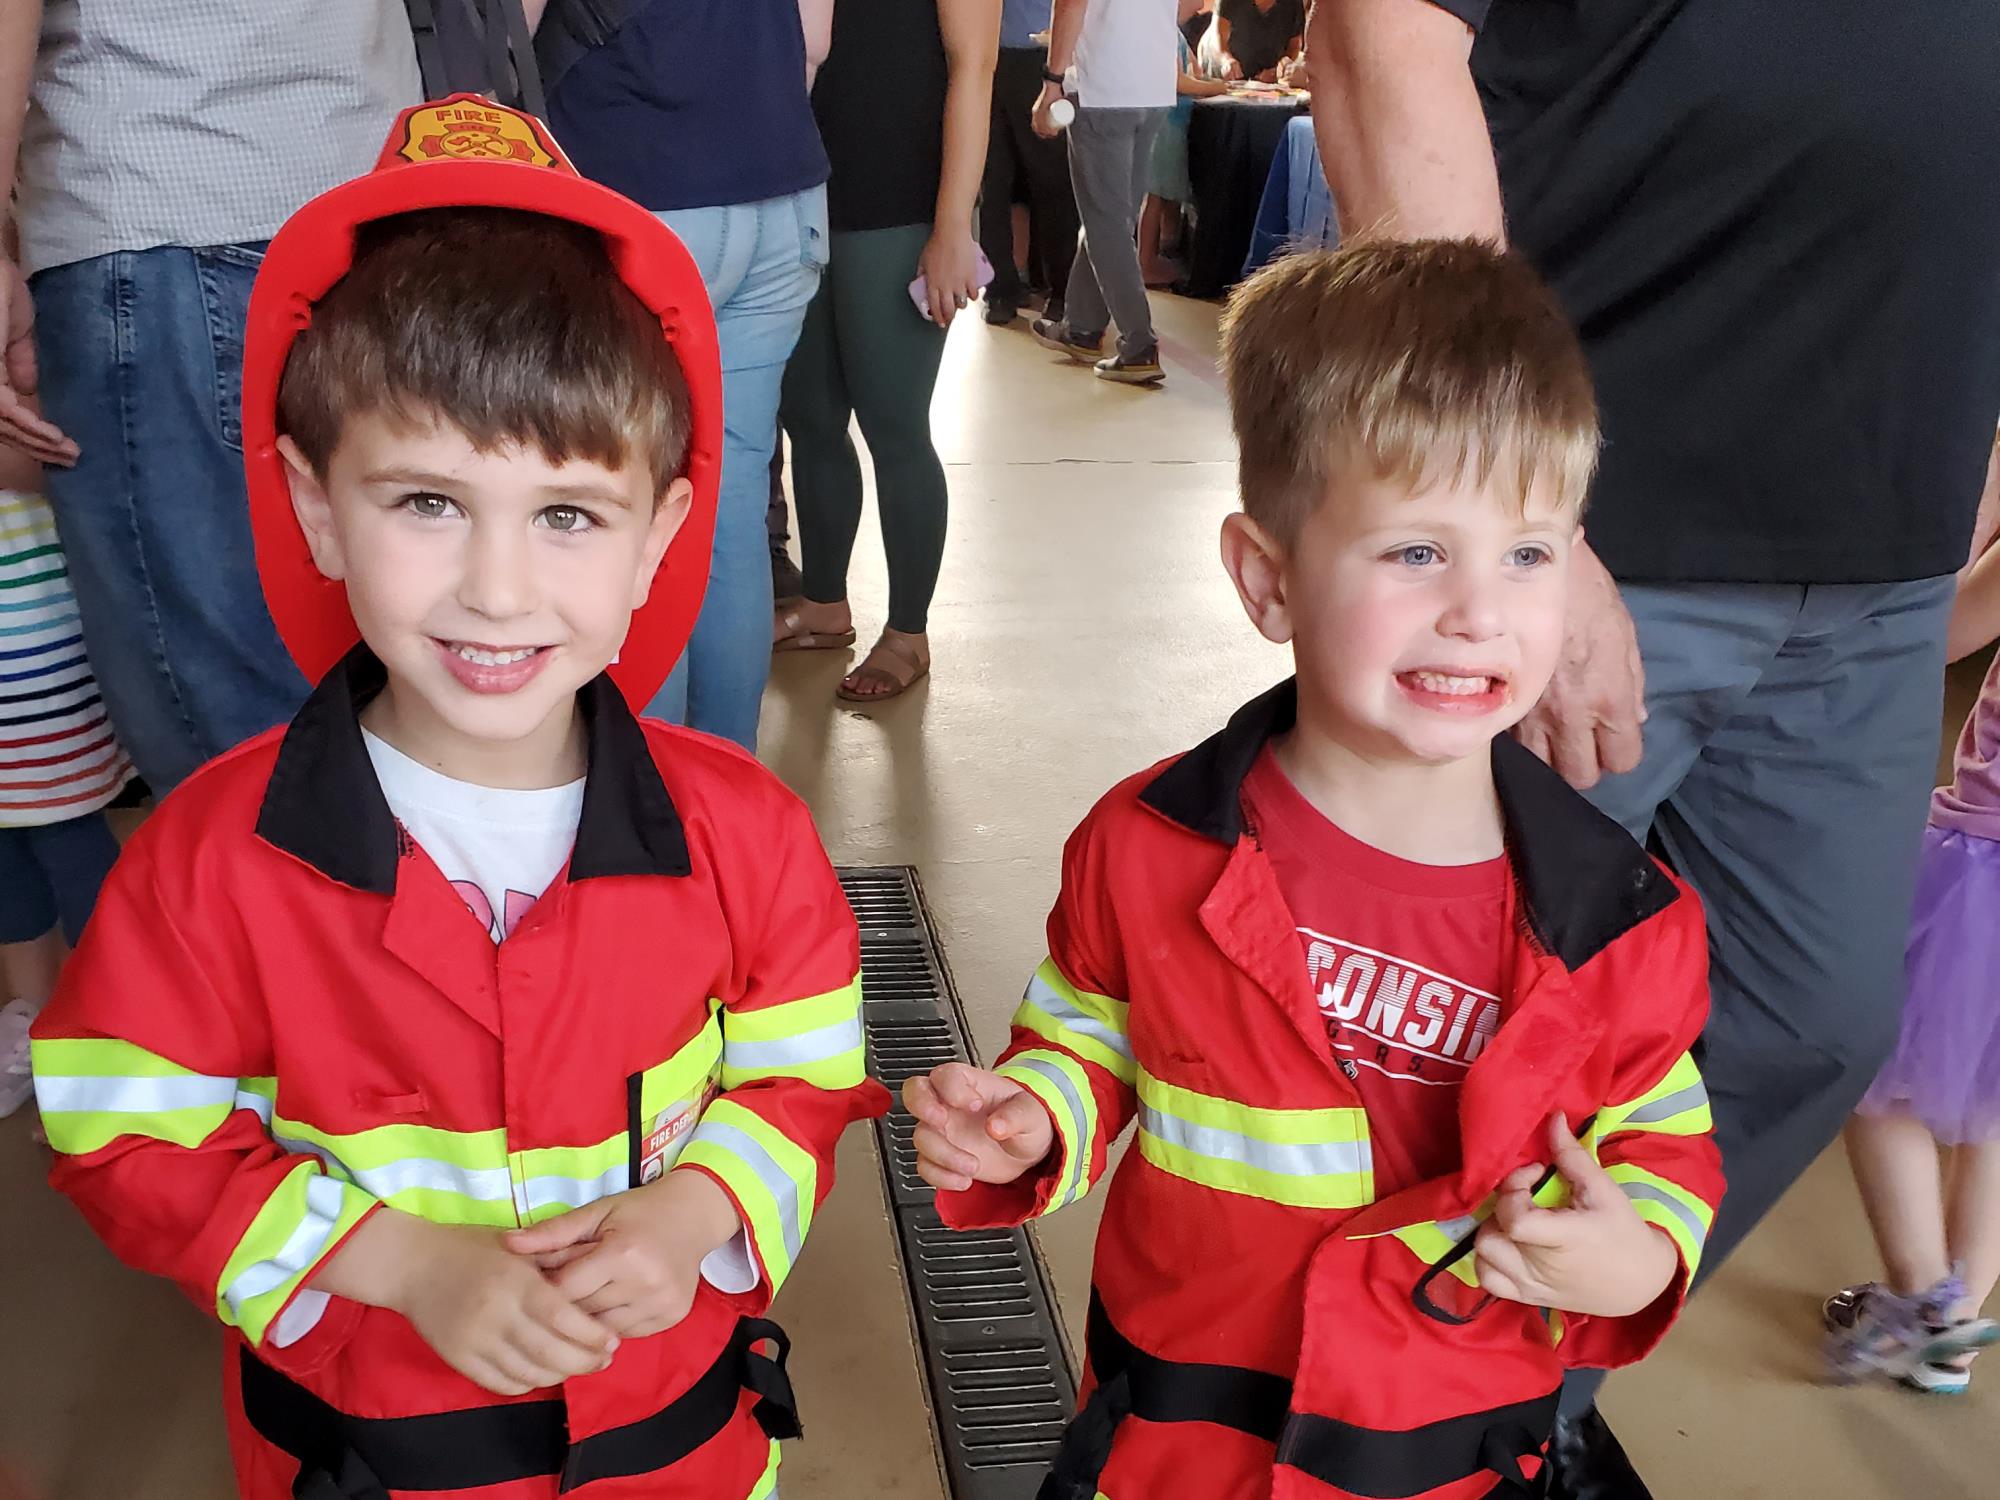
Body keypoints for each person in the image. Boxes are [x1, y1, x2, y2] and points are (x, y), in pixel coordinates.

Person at [29, 97, 886, 1498]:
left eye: (566, 515)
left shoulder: (754, 840)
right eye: (426, 502)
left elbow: (802, 1082)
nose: (497, 589)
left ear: (661, 533)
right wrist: (393, 1262)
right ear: (316, 508)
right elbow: (121, 1126)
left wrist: (692, 1215)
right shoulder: (206, 865)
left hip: (681, 1457)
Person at [904, 242, 1724, 1500]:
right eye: (1413, 553)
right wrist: (1038, 1117)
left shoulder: (1616, 926)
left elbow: (1656, 1137)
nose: (1478, 612)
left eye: (1529, 552)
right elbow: (1089, 1031)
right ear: (1264, 577)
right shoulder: (1149, 847)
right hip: (1182, 1449)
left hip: (1448, 1461)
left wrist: (1634, 1261)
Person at [1308, 4, 2000, 1491]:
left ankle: (1497, 1388)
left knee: (1814, 1018)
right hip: (1614, 514)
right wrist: (1515, 523)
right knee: (1443, 1039)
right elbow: (1379, 35)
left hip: (1882, 546)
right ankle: (1372, 1430)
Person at [2, 0, 419, 794]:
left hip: (168, 187)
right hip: (369, 187)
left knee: (226, 751)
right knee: (370, 675)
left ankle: (301, 916)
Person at [543, 0, 836, 751]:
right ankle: (723, 792)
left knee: (637, 503)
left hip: (639, 183)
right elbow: (814, 41)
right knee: (730, 505)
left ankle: (647, 802)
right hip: (781, 187)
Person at [1824, 435, 2000, 1397]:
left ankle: (1922, 1302)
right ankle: (1958, 1329)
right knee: (1992, 1114)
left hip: (1988, 864)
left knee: (1876, 1081)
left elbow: (1945, 634)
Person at [773, 0, 998, 704]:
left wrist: (953, 225)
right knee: (810, 421)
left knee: (895, 427)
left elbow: (976, 65)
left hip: (904, 205)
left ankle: (907, 632)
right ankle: (824, 602)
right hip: (800, 198)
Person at [0, 446, 133, 1119]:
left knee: (74, 854)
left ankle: (106, 1036)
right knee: (8, 876)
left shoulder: (30, 360)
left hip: (41, 668)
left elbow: (77, 471)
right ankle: (37, 1024)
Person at [1030, 0, 1180, 387]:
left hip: (1105, 85)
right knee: (1112, 217)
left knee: (1106, 223)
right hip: (1154, 84)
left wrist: (1052, 80)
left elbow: (1071, 4)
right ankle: (1081, 327)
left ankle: (1139, 345)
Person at [980, 0, 1083, 326]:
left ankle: (1061, 291)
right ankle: (1001, 289)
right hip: (987, 59)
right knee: (992, 181)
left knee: (1051, 180)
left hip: (1041, 58)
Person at [1139, 26, 1230, 287]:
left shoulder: (1174, 32)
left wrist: (1208, 82)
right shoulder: (1164, 31)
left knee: (1167, 191)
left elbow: (1195, 71)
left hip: (1175, 120)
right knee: (1155, 193)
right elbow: (1177, 81)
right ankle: (1145, 262)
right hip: (1166, 121)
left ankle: (1163, 252)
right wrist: (1216, 88)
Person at [1202, 0, 1305, 82]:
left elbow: (1294, 46)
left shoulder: (1294, 4)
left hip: (1265, 81)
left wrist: (1278, 70)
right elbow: (1218, 35)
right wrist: (1226, 60)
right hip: (1224, 70)